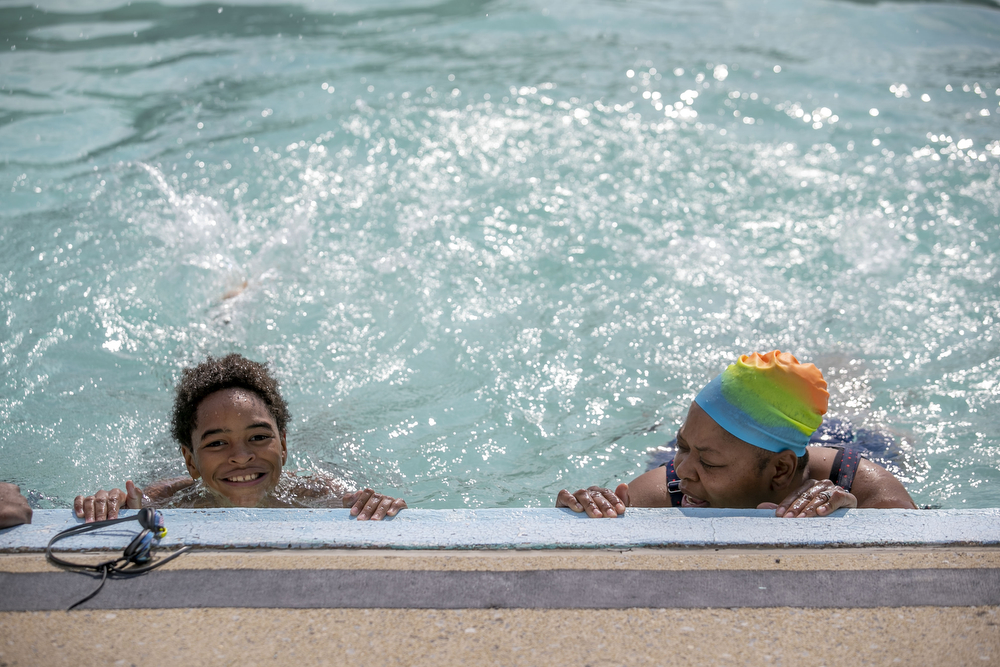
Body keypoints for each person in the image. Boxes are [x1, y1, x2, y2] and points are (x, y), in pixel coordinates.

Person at [556, 350, 916, 518]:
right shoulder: (667, 486)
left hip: (846, 438)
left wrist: (850, 516)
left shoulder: (855, 478)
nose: (682, 471)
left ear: (779, 471)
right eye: (683, 447)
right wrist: (585, 506)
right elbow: (596, 524)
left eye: (708, 463)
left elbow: (915, 537)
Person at [75, 354, 406, 522]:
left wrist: (377, 505)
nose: (242, 456)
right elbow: (130, 504)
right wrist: (112, 503)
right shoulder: (167, 498)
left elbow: (369, 504)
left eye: (259, 436)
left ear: (285, 445)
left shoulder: (321, 493)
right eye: (217, 443)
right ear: (190, 461)